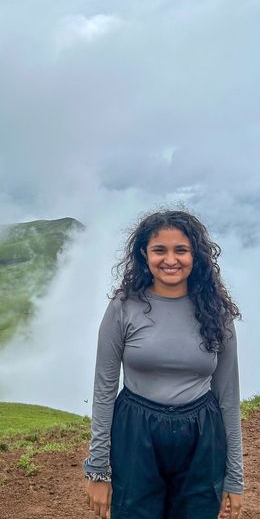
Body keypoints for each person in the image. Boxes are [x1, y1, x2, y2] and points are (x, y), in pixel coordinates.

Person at [83, 209, 244, 519]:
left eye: (181, 250)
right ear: (144, 254)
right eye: (160, 250)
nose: (171, 259)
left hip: (202, 437)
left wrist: (234, 479)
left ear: (195, 255)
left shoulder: (216, 312)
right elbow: (104, 389)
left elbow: (228, 397)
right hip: (135, 433)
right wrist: (98, 470)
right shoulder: (123, 307)